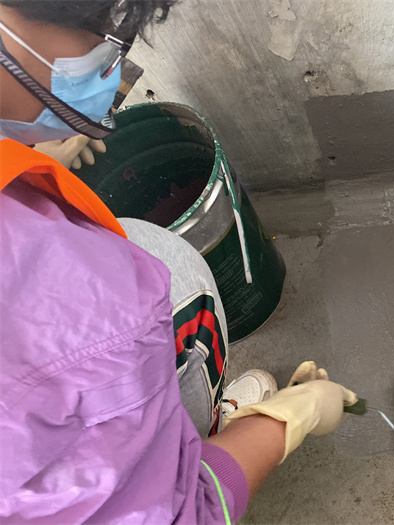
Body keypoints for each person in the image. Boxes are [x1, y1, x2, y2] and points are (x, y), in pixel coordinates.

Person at [0, 1, 357, 523]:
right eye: (95, 27)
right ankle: (198, 436)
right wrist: (285, 420)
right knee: (183, 285)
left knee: (160, 257)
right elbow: (178, 514)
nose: (112, 63)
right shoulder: (92, 330)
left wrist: (25, 157)